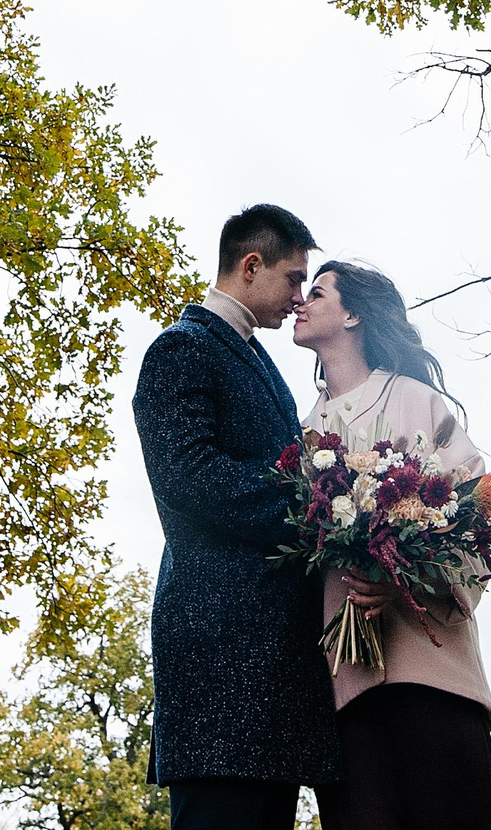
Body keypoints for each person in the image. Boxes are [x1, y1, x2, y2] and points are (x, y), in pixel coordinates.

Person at [133, 204, 342, 830]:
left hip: (272, 672)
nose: (298, 298)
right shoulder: (182, 348)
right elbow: (191, 477)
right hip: (222, 659)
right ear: (251, 267)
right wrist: (324, 505)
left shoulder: (261, 362)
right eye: (293, 279)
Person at [287, 260, 491, 830]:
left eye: (317, 292)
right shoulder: (300, 433)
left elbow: (475, 519)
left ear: (354, 314)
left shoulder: (414, 400)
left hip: (433, 681)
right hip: (348, 696)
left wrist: (400, 574)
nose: (299, 302)